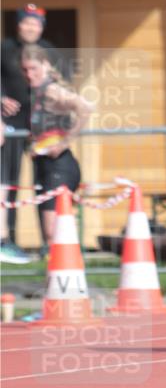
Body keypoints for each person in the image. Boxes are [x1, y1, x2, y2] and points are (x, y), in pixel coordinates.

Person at [1, 4, 60, 262]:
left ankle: (49, 242)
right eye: (26, 22)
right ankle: (7, 241)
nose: (30, 27)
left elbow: (61, 81)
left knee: (44, 182)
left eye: (35, 24)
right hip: (11, 125)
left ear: (41, 27)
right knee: (9, 181)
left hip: (40, 126)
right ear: (19, 25)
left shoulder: (49, 51)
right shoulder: (4, 48)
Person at [21, 44, 92, 247]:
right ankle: (58, 266)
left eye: (33, 68)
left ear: (45, 65)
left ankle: (68, 265)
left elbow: (86, 108)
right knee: (50, 235)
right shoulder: (35, 93)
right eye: (25, 70)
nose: (29, 74)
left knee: (53, 233)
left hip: (60, 166)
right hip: (43, 166)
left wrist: (64, 143)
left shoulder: (52, 90)